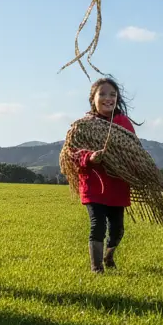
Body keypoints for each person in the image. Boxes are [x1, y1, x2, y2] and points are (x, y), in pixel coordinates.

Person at [69, 77, 138, 273]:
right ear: (93, 98)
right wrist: (90, 158)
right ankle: (96, 268)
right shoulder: (84, 125)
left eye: (113, 95)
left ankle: (108, 256)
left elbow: (135, 150)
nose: (108, 98)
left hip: (117, 186)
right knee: (97, 225)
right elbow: (73, 154)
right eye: (103, 94)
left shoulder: (123, 122)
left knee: (117, 230)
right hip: (93, 185)